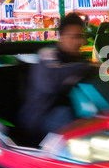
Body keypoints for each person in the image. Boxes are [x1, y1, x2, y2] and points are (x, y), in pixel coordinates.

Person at [16, 13, 96, 146]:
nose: (80, 42)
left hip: (67, 117)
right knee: (65, 116)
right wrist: (88, 67)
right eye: (74, 37)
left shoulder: (79, 60)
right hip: (38, 121)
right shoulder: (48, 55)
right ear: (62, 37)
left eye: (81, 36)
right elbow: (51, 81)